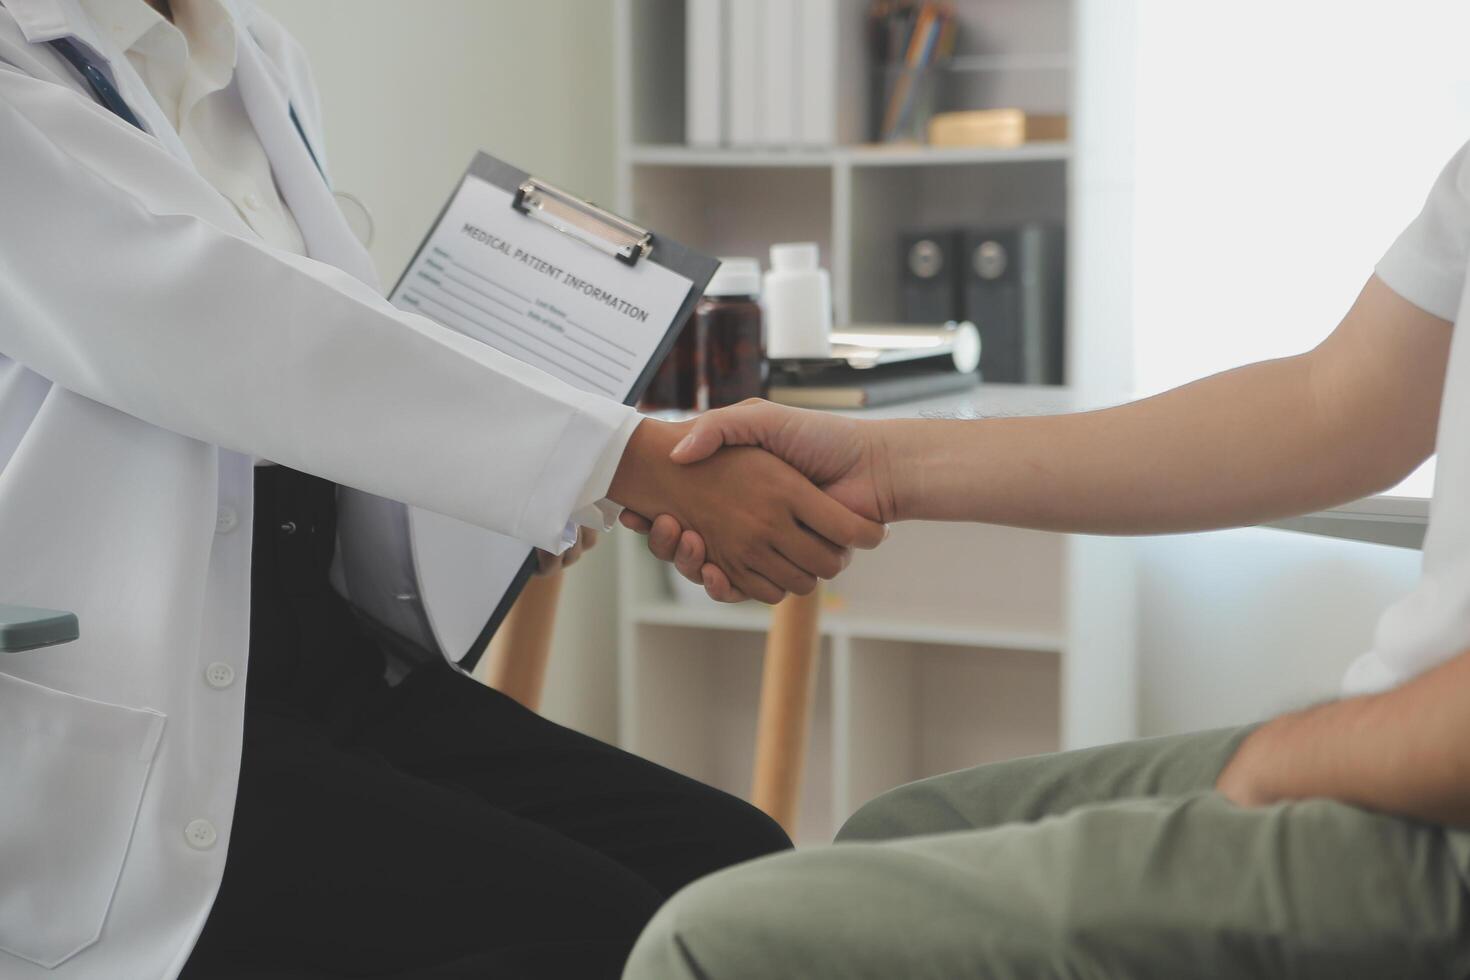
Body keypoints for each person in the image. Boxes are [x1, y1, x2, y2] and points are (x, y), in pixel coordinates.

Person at [0, 1, 885, 978]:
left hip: (325, 669)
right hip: (139, 718)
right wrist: (611, 457)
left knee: (735, 870)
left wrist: (522, 497)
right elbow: (220, 319)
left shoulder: (257, 60)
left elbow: (321, 362)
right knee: (604, 929)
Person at [620, 141, 1470, 977]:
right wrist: (885, 466)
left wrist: (1289, 759)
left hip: (1441, 801)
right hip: (1409, 727)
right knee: (911, 827)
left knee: (716, 947)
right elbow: (1333, 405)